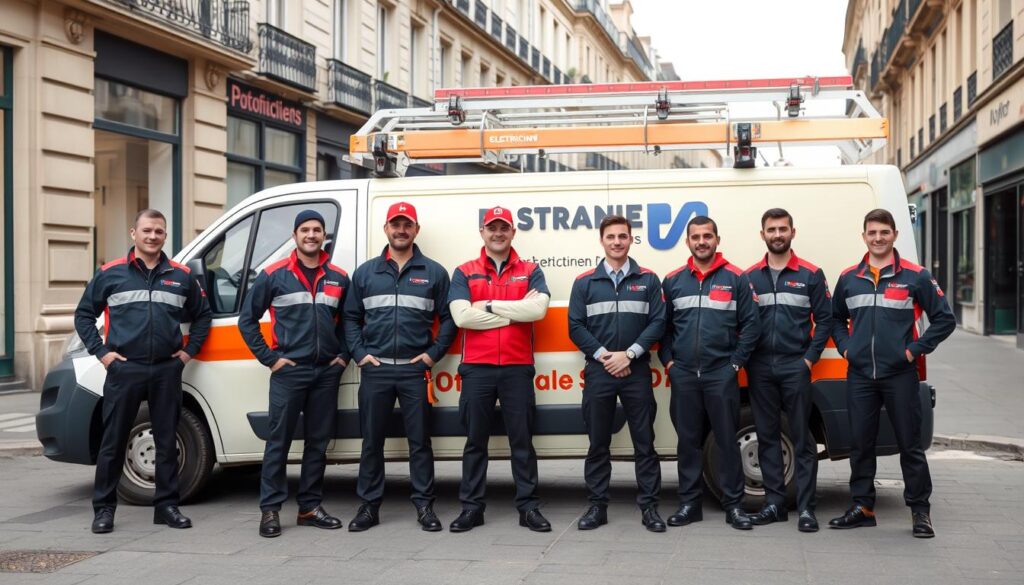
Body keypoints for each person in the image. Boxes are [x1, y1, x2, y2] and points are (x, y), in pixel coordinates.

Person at [74, 209, 211, 534]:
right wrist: (103, 354)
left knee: (166, 440)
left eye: (159, 232)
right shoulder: (110, 273)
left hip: (166, 369)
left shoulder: (181, 275)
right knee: (113, 441)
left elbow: (202, 316)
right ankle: (104, 510)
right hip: (124, 369)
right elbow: (83, 315)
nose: (153, 236)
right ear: (133, 233)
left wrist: (187, 353)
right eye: (147, 231)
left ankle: (166, 507)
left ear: (165, 236)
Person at [829, 208, 955, 538]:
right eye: (872, 232)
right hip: (859, 375)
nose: (878, 238)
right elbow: (834, 319)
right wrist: (846, 349)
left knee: (910, 444)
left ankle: (920, 512)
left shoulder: (916, 276)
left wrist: (913, 350)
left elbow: (945, 319)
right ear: (864, 236)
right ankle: (862, 507)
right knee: (860, 443)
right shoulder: (849, 278)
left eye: (884, 232)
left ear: (894, 234)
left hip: (900, 374)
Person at [343, 202, 456, 532]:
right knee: (371, 441)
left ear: (416, 230)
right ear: (386, 229)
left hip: (413, 370)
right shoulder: (366, 273)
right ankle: (369, 506)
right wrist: (360, 353)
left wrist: (433, 354)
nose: (401, 230)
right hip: (375, 370)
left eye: (407, 224)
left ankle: (424, 505)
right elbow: (350, 317)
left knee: (419, 442)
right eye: (396, 224)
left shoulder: (434, 272)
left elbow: (449, 319)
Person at [238, 209, 350, 538]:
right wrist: (270, 359)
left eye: (317, 229)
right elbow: (247, 321)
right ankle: (270, 510)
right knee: (279, 443)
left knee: (317, 444)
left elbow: (350, 323)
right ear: (295, 235)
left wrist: (342, 357)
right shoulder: (272, 275)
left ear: (324, 236)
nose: (311, 235)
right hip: (289, 372)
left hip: (326, 374)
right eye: (305, 229)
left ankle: (309, 508)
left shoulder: (339, 277)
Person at [447, 206, 551, 533]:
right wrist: (513, 314)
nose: (497, 233)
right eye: (492, 227)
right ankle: (472, 508)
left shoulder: (531, 270)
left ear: (512, 232)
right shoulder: (464, 271)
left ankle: (528, 508)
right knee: (475, 442)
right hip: (477, 368)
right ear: (482, 232)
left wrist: (488, 307)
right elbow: (462, 317)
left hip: (517, 367)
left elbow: (538, 309)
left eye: (503, 227)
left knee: (522, 442)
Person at [659, 215, 760, 531]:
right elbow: (662, 328)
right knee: (687, 442)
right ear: (687, 241)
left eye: (707, 236)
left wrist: (735, 364)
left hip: (721, 373)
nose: (701, 242)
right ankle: (690, 504)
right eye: (696, 237)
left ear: (717, 239)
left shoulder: (736, 279)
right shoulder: (673, 280)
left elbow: (752, 326)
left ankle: (734, 506)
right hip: (685, 373)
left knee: (726, 441)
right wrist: (670, 363)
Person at [568, 215, 667, 532]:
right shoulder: (585, 282)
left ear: (630, 239)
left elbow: (658, 323)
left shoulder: (648, 280)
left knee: (644, 442)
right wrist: (604, 355)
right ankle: (597, 506)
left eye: (622, 236)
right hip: (599, 371)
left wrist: (631, 354)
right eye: (610, 237)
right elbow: (575, 326)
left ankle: (650, 508)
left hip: (636, 369)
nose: (616, 242)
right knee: (598, 443)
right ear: (602, 241)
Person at [745, 208, 832, 532]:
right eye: (771, 229)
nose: (777, 234)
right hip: (760, 367)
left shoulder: (810, 274)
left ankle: (807, 508)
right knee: (767, 437)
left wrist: (808, 358)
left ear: (792, 232)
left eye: (783, 229)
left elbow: (825, 320)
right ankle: (774, 504)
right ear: (763, 234)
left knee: (801, 439)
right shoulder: (750, 277)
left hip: (796, 365)